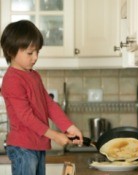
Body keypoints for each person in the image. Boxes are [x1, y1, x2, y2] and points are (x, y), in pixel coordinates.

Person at [0, 20, 83, 175]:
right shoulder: (12, 80)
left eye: (38, 51)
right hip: (23, 148)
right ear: (11, 51)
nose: (35, 57)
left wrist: (69, 127)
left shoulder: (34, 75)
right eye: (30, 53)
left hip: (38, 145)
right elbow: (26, 117)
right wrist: (55, 135)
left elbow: (49, 104)